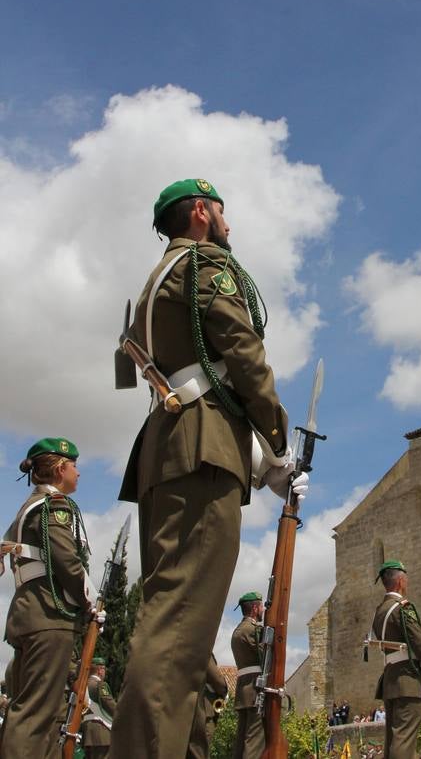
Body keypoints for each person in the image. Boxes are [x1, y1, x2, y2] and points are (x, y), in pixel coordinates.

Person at [109, 179, 307, 759]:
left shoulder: (157, 282)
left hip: (171, 445)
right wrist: (275, 445)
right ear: (201, 212)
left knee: (180, 623)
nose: (228, 223)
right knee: (178, 624)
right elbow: (244, 356)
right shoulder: (203, 268)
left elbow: (202, 369)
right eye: (222, 212)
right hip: (200, 448)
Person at [0, 438, 96, 759]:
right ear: (59, 469)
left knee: (43, 709)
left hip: (31, 614)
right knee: (37, 711)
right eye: (74, 466)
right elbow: (67, 562)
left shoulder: (27, 507)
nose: (79, 473)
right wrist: (94, 603)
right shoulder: (53, 507)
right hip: (49, 616)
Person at [371, 559, 421, 759]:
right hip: (407, 680)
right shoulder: (402, 608)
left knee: (393, 739)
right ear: (399, 581)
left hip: (390, 679)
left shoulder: (380, 611)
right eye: (405, 579)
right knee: (404, 740)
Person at [231, 591, 265, 759]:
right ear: (254, 608)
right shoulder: (253, 630)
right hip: (255, 689)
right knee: (254, 742)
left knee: (241, 742)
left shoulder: (237, 631)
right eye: (261, 606)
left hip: (243, 690)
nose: (263, 609)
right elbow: (265, 656)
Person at [81, 656, 116, 759]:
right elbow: (109, 705)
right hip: (101, 732)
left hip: (88, 731)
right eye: (104, 669)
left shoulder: (82, 684)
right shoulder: (100, 685)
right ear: (100, 670)